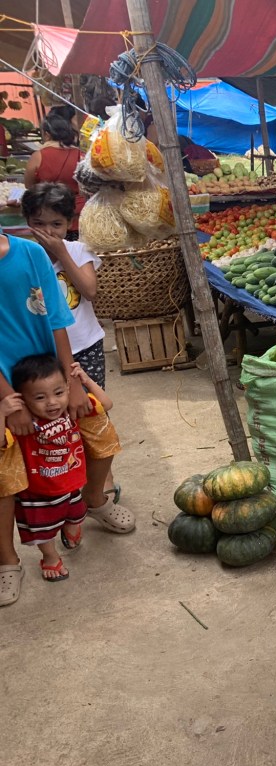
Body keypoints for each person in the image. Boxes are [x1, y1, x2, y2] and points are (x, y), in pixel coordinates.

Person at [0, 227, 133, 607]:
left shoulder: (29, 253)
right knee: (5, 477)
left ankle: (93, 499)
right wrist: (9, 400)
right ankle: (7, 560)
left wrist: (71, 381)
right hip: (4, 388)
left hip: (52, 376)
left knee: (100, 433)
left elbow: (57, 318)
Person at [22, 182, 120, 502]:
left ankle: (102, 479)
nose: (48, 231)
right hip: (47, 354)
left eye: (56, 224)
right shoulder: (24, 257)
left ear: (69, 224)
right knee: (55, 417)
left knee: (92, 412)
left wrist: (62, 253)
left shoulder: (78, 251)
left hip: (86, 347)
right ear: (27, 222)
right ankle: (68, 475)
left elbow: (89, 291)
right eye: (39, 223)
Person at [0, 356, 113, 582]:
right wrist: (2, 412)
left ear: (67, 388)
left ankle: (71, 524)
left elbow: (106, 404)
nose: (52, 402)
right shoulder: (25, 423)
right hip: (38, 493)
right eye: (40, 397)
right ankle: (50, 557)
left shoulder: (69, 411)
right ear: (23, 399)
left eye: (58, 393)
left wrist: (85, 381)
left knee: (76, 513)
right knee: (43, 531)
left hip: (72, 483)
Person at [22, 113, 85, 237]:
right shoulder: (80, 154)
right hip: (78, 214)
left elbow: (29, 186)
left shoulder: (39, 156)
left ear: (47, 134)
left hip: (47, 217)